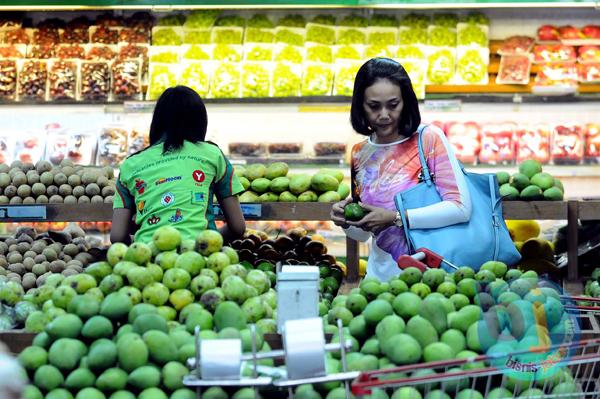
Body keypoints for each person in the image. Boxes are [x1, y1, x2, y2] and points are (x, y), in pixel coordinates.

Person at [330, 58, 472, 281]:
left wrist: (396, 217)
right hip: (380, 279)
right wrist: (344, 222)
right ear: (360, 105)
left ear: (406, 102)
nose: (384, 114)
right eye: (374, 106)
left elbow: (461, 208)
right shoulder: (360, 152)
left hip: (432, 279)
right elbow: (364, 234)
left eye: (393, 104)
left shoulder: (428, 139)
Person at [111, 86, 246, 244]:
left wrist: (142, 242)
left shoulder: (130, 164)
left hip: (148, 257)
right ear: (200, 122)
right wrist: (208, 241)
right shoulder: (212, 154)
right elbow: (237, 227)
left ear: (157, 122)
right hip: (200, 256)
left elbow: (117, 236)